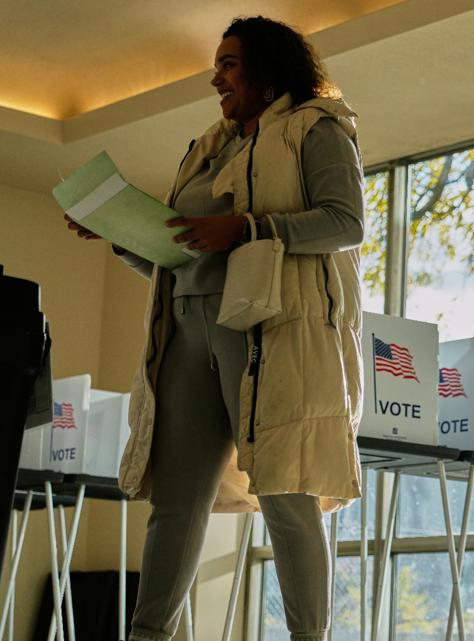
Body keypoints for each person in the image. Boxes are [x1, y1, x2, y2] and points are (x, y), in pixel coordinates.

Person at [65, 16, 364, 641]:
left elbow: (345, 222)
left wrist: (249, 227)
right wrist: (121, 236)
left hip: (270, 333)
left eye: (228, 64)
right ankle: (148, 635)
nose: (216, 79)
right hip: (185, 330)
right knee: (176, 499)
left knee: (286, 491)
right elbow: (178, 257)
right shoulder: (208, 146)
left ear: (266, 67)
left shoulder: (317, 126)